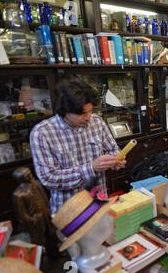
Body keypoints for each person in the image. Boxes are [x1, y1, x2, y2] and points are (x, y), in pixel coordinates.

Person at [30, 77, 126, 215]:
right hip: (69, 212)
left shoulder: (97, 122)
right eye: (82, 113)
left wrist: (116, 160)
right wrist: (91, 167)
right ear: (64, 110)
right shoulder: (42, 133)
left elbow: (112, 149)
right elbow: (49, 178)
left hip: (99, 202)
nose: (88, 117)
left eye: (90, 110)